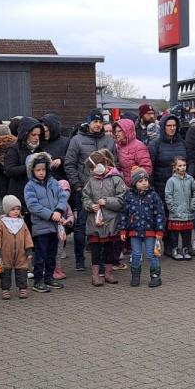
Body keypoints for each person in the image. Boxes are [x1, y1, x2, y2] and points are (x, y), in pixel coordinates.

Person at [64, 111, 116, 271]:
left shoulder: (109, 140)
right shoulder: (77, 140)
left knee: (103, 226)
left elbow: (115, 163)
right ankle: (80, 259)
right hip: (85, 190)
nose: (98, 125)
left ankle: (101, 261)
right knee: (81, 225)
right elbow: (70, 164)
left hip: (105, 191)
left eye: (100, 122)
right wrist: (77, 186)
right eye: (94, 121)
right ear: (88, 123)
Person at [23, 151, 68, 294]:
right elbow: (33, 206)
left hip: (55, 225)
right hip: (41, 226)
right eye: (38, 170)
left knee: (52, 253)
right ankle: (38, 281)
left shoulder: (53, 182)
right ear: (32, 171)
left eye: (43, 169)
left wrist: (59, 211)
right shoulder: (30, 186)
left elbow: (62, 196)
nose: (41, 173)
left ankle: (49, 277)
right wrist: (50, 215)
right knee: (40, 255)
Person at [81, 149, 127, 286]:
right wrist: (90, 205)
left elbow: (122, 199)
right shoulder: (91, 181)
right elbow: (85, 197)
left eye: (93, 168)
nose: (92, 171)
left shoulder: (116, 179)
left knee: (109, 249)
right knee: (95, 249)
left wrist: (106, 201)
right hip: (95, 222)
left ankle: (108, 273)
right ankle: (95, 275)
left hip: (110, 222)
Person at [120, 168, 165, 287]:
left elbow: (160, 213)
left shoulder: (154, 195)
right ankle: (135, 276)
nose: (144, 182)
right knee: (135, 254)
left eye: (146, 180)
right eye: (140, 181)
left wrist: (159, 230)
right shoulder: (129, 196)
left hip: (150, 231)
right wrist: (123, 229)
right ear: (134, 183)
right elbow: (124, 213)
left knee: (152, 253)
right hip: (134, 231)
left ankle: (155, 277)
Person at [0, 196, 34, 300]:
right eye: (13, 209)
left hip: (21, 253)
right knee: (5, 272)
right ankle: (5, 289)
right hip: (5, 253)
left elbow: (27, 237)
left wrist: (29, 250)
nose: (16, 212)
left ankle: (23, 288)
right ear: (7, 210)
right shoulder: (2, 223)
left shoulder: (22, 223)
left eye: (18, 209)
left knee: (22, 271)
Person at [3, 117, 47, 208]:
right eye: (33, 135)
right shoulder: (14, 149)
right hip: (19, 196)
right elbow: (9, 171)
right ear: (25, 134)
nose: (36, 138)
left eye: (38, 135)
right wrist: (30, 166)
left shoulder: (40, 150)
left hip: (37, 196)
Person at [164, 156, 195, 261]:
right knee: (174, 235)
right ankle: (174, 250)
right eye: (180, 166)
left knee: (187, 234)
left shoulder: (190, 179)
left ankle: (186, 250)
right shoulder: (171, 181)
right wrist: (173, 209)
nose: (182, 168)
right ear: (174, 167)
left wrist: (193, 205)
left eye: (184, 165)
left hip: (188, 213)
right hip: (175, 214)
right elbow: (168, 196)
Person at [148, 114, 188, 201]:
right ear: (163, 127)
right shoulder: (155, 144)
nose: (172, 128)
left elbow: (190, 161)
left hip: (181, 186)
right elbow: (151, 168)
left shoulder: (183, 143)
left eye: (174, 125)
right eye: (169, 125)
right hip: (161, 188)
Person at [113, 118, 152, 186]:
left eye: (119, 131)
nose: (116, 134)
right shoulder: (118, 146)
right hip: (121, 186)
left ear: (127, 131)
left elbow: (147, 168)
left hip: (135, 187)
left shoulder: (139, 146)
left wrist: (135, 182)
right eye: (115, 131)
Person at [40, 114, 69, 180]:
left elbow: (73, 159)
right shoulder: (39, 142)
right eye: (42, 131)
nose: (44, 134)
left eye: (46, 131)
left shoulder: (66, 142)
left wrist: (61, 160)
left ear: (53, 129)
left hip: (61, 182)